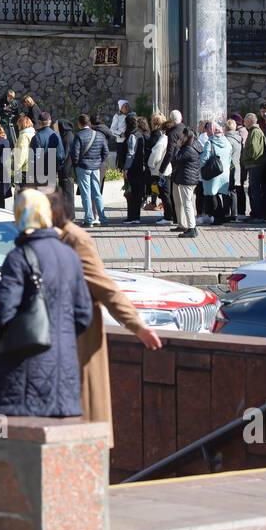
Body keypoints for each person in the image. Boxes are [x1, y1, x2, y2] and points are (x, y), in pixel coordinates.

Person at [51, 190, 161, 446]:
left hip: (78, 343)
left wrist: (137, 326)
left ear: (55, 213)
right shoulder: (46, 239)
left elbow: (105, 287)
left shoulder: (75, 239)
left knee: (84, 422)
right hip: (57, 346)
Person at [0, 190, 92, 418]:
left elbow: (2, 312)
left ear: (21, 215)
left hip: (23, 377)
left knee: (7, 443)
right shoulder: (70, 256)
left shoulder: (19, 257)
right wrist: (60, 338)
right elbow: (83, 315)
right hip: (65, 379)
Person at [68, 115, 107, 226]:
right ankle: (103, 218)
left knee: (86, 194)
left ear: (79, 124)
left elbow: (75, 153)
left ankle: (89, 219)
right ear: (89, 122)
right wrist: (98, 163)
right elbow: (106, 152)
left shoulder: (79, 135)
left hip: (83, 167)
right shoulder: (99, 135)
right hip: (96, 167)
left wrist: (76, 165)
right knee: (97, 193)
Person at [197, 120, 231, 224]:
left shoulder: (209, 142)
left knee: (211, 194)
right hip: (224, 171)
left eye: (207, 130)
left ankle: (217, 217)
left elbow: (204, 158)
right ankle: (221, 215)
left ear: (211, 131)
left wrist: (199, 161)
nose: (206, 132)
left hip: (213, 172)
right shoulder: (226, 141)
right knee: (217, 194)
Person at [123, 116, 150, 224]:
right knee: (137, 193)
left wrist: (126, 168)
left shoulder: (132, 136)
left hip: (133, 168)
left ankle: (132, 217)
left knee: (132, 193)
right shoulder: (140, 135)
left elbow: (130, 154)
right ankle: (136, 217)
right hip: (140, 167)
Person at [29, 111, 64, 190]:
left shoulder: (36, 137)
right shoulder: (56, 135)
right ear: (50, 121)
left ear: (39, 122)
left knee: (41, 199)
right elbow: (60, 155)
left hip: (40, 172)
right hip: (52, 170)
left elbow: (33, 158)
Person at [241, 114, 266, 221]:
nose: (244, 123)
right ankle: (255, 214)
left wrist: (245, 157)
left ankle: (258, 215)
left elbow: (254, 151)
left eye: (245, 121)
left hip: (255, 165)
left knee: (255, 191)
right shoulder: (254, 131)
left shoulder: (255, 132)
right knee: (252, 190)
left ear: (250, 121)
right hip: (254, 165)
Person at [13, 114, 35, 186]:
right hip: (33, 167)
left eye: (18, 125)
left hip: (25, 169)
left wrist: (16, 170)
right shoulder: (34, 134)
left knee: (23, 193)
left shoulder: (23, 136)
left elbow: (22, 154)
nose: (18, 127)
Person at [110, 99, 131, 170]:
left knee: (128, 157)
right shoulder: (117, 116)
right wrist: (120, 134)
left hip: (129, 140)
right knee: (120, 158)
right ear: (121, 107)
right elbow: (112, 130)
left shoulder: (130, 115)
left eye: (127, 106)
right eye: (125, 106)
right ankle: (119, 172)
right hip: (121, 141)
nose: (127, 108)